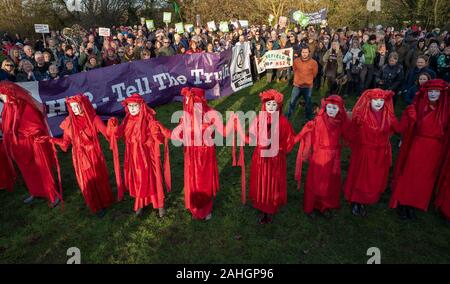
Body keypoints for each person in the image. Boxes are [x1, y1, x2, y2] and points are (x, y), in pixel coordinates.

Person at [171, 87, 235, 220]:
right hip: (192, 154)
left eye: (192, 102)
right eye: (188, 102)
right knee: (193, 182)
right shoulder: (186, 116)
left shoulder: (211, 114)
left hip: (206, 154)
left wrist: (232, 124)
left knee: (204, 182)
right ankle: (195, 209)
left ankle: (206, 209)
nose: (189, 105)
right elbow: (178, 135)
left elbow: (223, 132)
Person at [390, 79, 449, 220]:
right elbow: (406, 125)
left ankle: (413, 204)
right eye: (430, 91)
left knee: (425, 178)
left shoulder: (445, 109)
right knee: (410, 174)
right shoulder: (418, 105)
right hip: (418, 144)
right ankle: (403, 203)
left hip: (435, 149)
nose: (433, 94)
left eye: (436, 91)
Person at [48, 94, 115, 217]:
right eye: (72, 107)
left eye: (77, 106)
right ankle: (97, 205)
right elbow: (65, 143)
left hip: (93, 154)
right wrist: (51, 140)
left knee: (98, 178)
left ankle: (104, 201)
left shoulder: (93, 118)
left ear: (83, 105)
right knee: (88, 181)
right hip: (79, 157)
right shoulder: (69, 122)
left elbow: (108, 134)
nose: (75, 109)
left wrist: (112, 126)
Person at [107, 94, 172, 217]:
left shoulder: (148, 118)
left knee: (153, 178)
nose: (132, 108)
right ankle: (140, 203)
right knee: (138, 179)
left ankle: (159, 204)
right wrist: (114, 127)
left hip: (148, 155)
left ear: (141, 105)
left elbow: (157, 135)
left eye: (134, 106)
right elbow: (118, 134)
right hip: (133, 156)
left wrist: (157, 132)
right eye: (129, 106)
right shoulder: (127, 119)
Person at [0, 81, 61, 207]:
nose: (1, 97)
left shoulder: (26, 105)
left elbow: (35, 126)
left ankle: (53, 194)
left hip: (33, 144)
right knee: (28, 171)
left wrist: (18, 132)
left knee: (42, 169)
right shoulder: (8, 106)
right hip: (20, 147)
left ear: (9, 93)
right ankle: (36, 191)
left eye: (2, 95)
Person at [344, 89, 399, 217]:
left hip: (380, 153)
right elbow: (351, 131)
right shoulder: (362, 114)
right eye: (375, 100)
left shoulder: (388, 114)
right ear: (369, 100)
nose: (378, 103)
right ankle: (356, 201)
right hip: (365, 152)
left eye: (381, 100)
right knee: (361, 178)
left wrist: (407, 118)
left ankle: (367, 198)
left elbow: (399, 129)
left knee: (374, 177)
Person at [295, 95, 350, 219]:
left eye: (334, 108)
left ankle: (324, 205)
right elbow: (308, 131)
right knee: (316, 182)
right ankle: (311, 206)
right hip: (320, 155)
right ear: (325, 108)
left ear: (340, 109)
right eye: (329, 107)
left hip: (333, 157)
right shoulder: (319, 120)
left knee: (329, 182)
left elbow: (348, 135)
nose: (331, 110)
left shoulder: (341, 121)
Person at [245, 89, 296, 224]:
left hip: (275, 160)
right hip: (260, 159)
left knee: (272, 183)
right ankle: (261, 205)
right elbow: (251, 137)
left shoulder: (283, 122)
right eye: (268, 104)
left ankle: (270, 208)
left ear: (279, 105)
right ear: (264, 105)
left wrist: (279, 147)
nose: (271, 107)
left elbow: (289, 141)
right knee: (261, 181)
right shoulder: (258, 119)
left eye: (274, 104)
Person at [286, 47, 318, 121]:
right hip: (297, 85)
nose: (304, 54)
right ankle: (287, 116)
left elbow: (314, 74)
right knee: (292, 101)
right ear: (301, 52)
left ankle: (308, 118)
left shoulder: (314, 62)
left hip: (308, 86)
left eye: (306, 52)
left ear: (309, 53)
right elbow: (294, 70)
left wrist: (307, 79)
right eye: (303, 52)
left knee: (308, 103)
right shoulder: (296, 61)